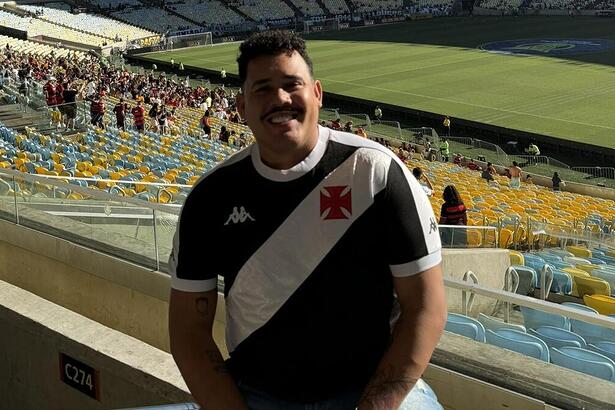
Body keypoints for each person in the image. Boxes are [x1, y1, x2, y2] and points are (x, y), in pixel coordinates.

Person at [168, 30, 446, 410]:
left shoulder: (377, 173)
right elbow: (189, 332)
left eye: (291, 85)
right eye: (262, 88)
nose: (280, 98)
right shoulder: (210, 197)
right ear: (241, 106)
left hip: (374, 389)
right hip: (257, 394)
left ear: (317, 93)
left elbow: (426, 308)